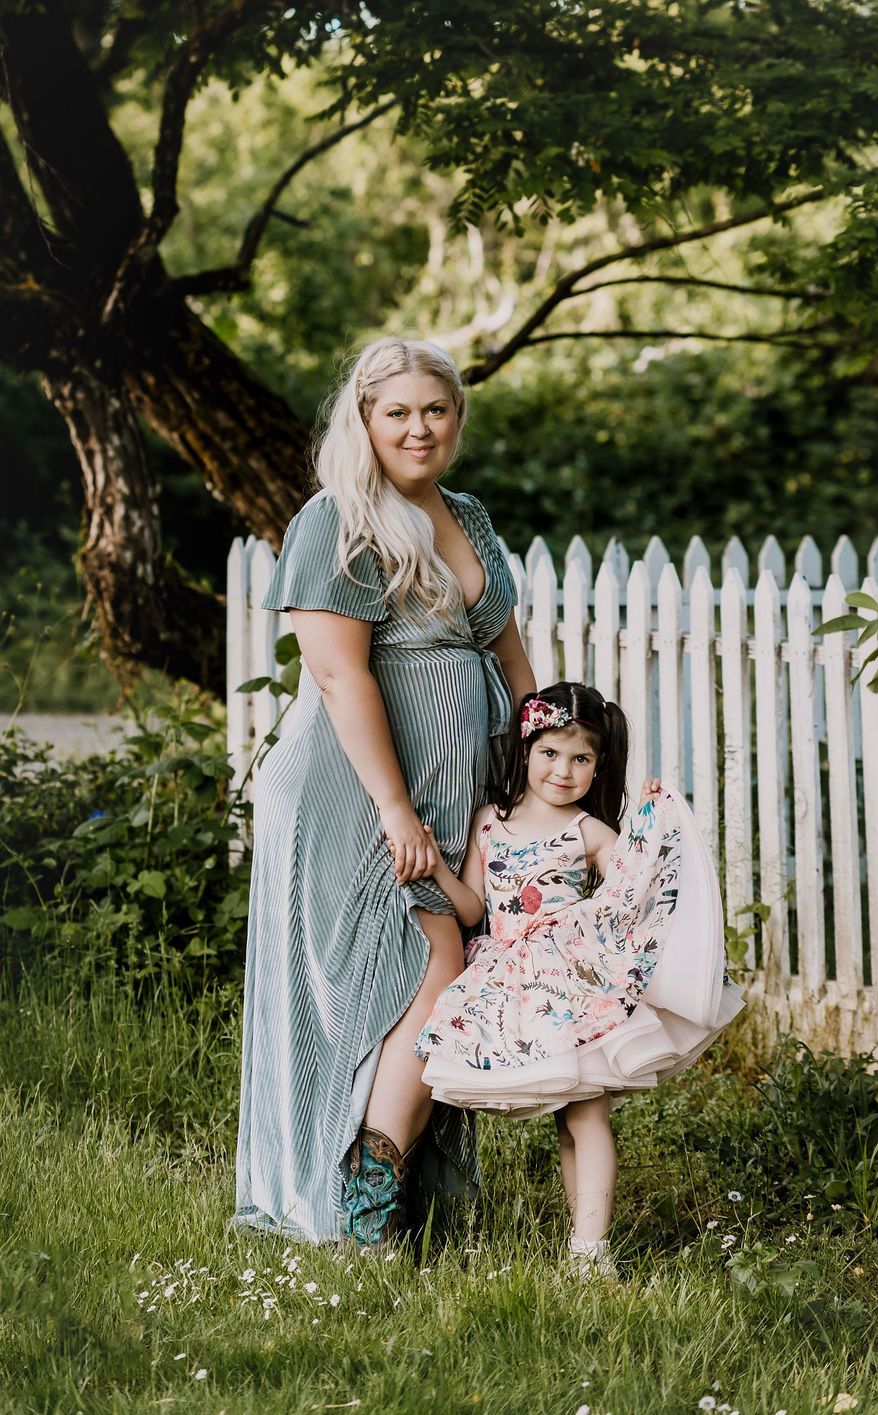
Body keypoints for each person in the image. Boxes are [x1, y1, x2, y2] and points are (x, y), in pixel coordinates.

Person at [234, 337, 535, 1247]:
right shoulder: (338, 518)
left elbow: (510, 654)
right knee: (425, 961)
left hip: (454, 787)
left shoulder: (467, 514)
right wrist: (397, 810)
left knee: (436, 970)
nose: (418, 427)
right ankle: (365, 1188)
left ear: (456, 419)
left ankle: (381, 1187)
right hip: (353, 786)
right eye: (397, 411)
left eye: (434, 410)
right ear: (364, 419)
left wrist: (538, 767)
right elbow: (339, 676)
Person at [414, 681, 745, 1278]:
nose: (563, 771)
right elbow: (471, 911)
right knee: (564, 1107)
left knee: (585, 1111)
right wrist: (436, 865)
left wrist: (652, 816)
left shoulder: (587, 831)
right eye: (551, 753)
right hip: (511, 978)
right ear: (526, 750)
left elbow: (637, 884)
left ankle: (590, 1251)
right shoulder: (490, 823)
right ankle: (579, 1241)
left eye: (581, 759)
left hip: (572, 978)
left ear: (598, 766)